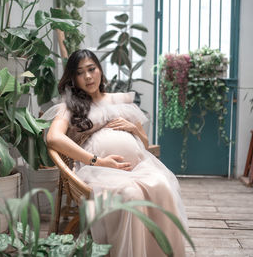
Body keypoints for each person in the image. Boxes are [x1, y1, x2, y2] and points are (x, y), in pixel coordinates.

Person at [42, 49, 188, 257]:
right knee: (131, 194)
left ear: (100, 70)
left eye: (92, 69)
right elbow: (53, 138)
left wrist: (134, 129)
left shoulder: (120, 100)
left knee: (163, 185)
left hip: (138, 167)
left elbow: (145, 144)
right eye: (80, 73)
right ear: (73, 79)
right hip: (99, 170)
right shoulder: (71, 105)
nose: (88, 76)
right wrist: (98, 161)